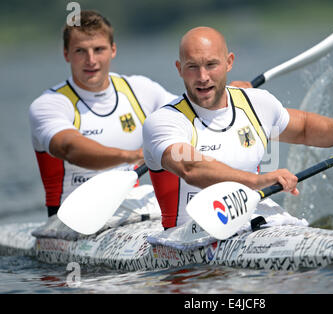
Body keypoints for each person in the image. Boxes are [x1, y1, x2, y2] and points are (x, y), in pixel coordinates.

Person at [142, 26, 333, 230]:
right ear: (179, 69)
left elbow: (304, 127)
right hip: (191, 235)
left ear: (229, 63)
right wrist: (258, 180)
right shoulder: (165, 122)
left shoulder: (256, 103)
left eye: (211, 65)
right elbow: (191, 168)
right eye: (192, 67)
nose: (203, 76)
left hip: (262, 221)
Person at [29, 10, 250, 218]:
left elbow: (194, 113)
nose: (91, 60)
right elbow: (70, 148)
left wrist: (228, 95)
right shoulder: (50, 104)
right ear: (66, 54)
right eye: (80, 51)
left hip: (134, 208)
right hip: (72, 217)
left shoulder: (140, 90)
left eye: (98, 49)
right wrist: (134, 155)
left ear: (113, 50)